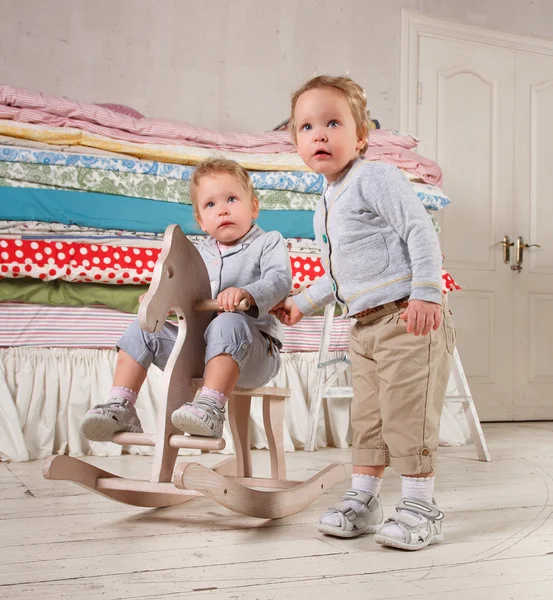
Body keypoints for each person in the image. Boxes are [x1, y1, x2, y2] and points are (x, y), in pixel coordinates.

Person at [272, 75, 455, 550]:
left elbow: (420, 231)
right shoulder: (325, 205)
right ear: (296, 142)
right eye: (307, 127)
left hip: (406, 319)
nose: (319, 134)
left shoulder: (374, 177)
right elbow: (342, 279)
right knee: (368, 418)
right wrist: (299, 303)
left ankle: (420, 507)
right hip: (365, 327)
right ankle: (364, 499)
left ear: (360, 137)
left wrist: (427, 294)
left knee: (406, 415)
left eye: (333, 123)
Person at [81, 157, 292, 440]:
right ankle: (121, 406)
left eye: (232, 198)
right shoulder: (196, 255)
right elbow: (184, 295)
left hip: (254, 353)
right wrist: (161, 301)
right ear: (200, 221)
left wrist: (247, 293)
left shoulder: (268, 242)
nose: (223, 210)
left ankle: (211, 408)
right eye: (210, 205)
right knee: (143, 330)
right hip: (201, 350)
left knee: (228, 322)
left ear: (253, 207)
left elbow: (279, 281)